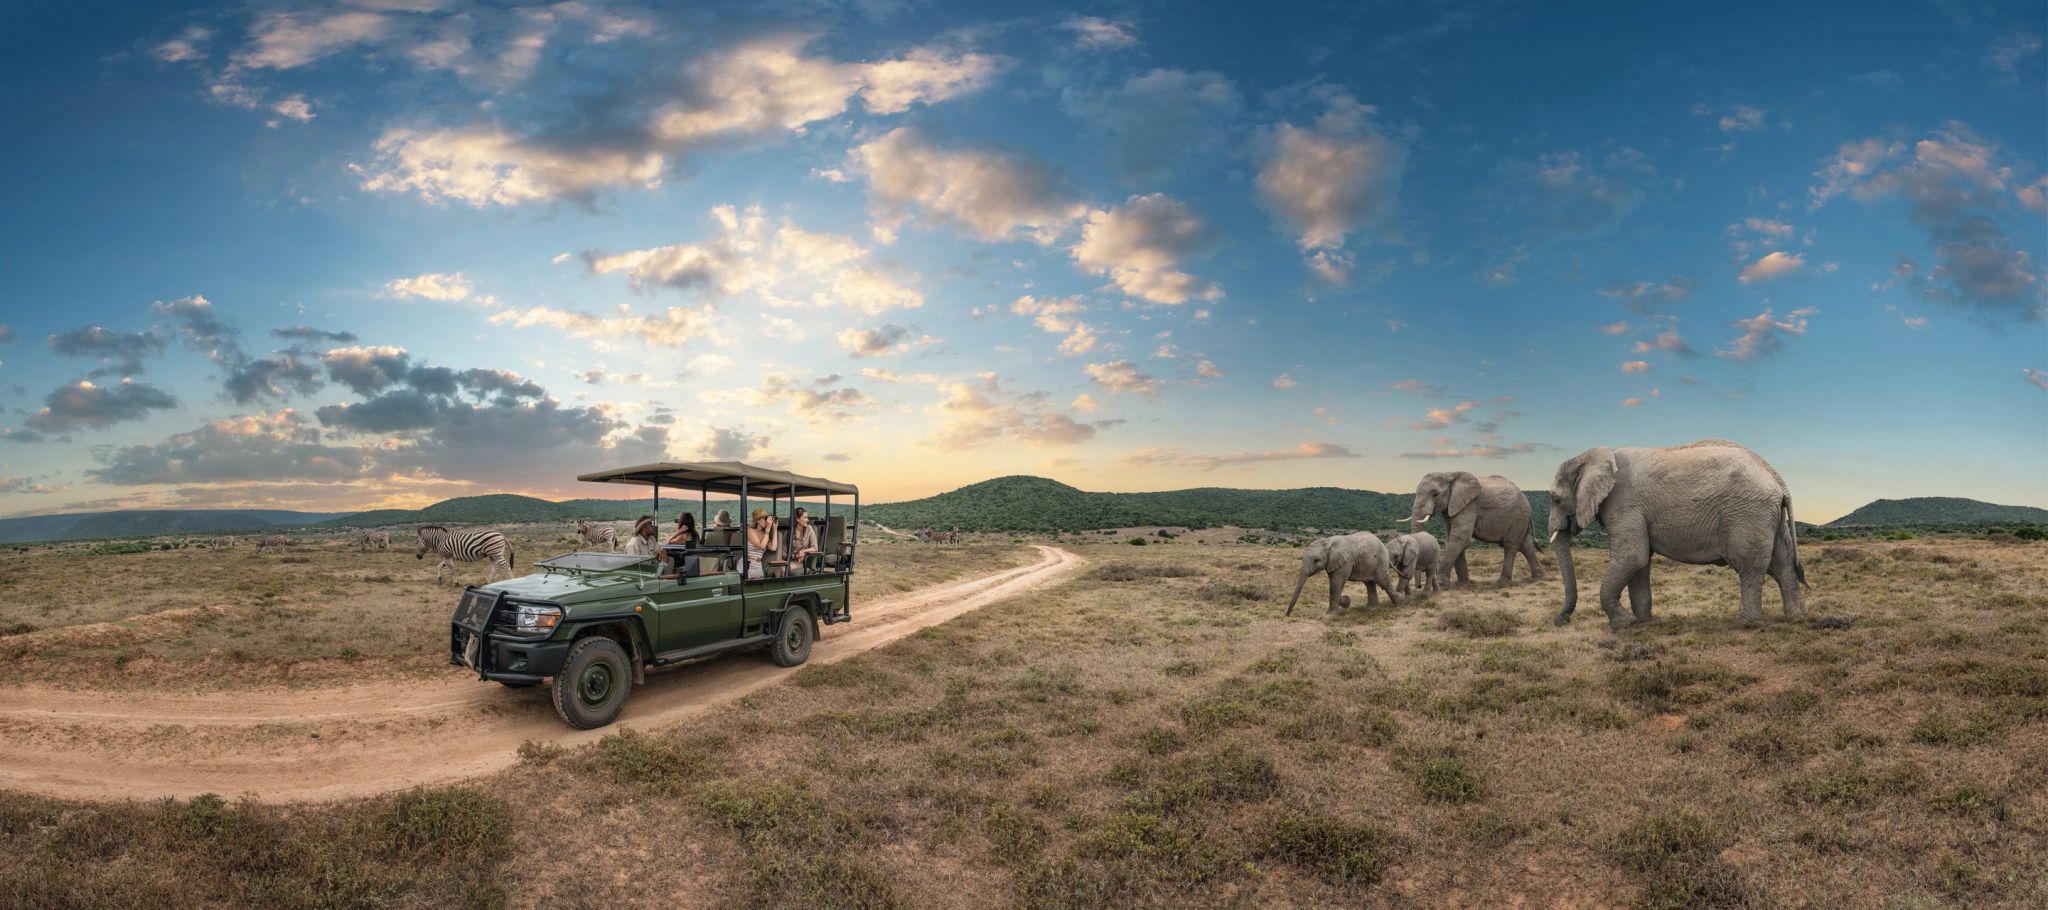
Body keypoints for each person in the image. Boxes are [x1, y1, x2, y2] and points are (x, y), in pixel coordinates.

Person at [744, 508, 778, 579]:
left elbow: (773, 548)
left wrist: (774, 529)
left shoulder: (764, 534)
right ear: (757, 521)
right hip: (747, 564)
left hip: (758, 565)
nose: (767, 521)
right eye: (765, 518)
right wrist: (767, 529)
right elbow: (761, 546)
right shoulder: (750, 531)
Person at [787, 507, 820, 571]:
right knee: (780, 567)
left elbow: (815, 548)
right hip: (790, 560)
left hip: (802, 562)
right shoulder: (789, 531)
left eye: (807, 517)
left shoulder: (809, 528)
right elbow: (783, 552)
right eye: (805, 518)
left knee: (786, 568)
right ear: (797, 519)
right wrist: (795, 556)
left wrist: (803, 551)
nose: (808, 520)